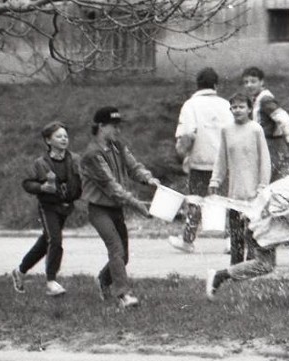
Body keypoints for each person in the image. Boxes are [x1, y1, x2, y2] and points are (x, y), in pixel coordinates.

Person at [80, 106, 160, 308]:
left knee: (123, 256)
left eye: (119, 126)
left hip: (116, 208)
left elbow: (134, 167)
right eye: (114, 126)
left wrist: (149, 179)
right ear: (100, 126)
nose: (118, 131)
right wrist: (138, 206)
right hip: (99, 209)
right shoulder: (92, 155)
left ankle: (102, 280)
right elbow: (111, 187)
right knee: (115, 248)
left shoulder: (118, 146)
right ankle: (124, 294)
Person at [12, 121, 83, 296]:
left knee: (47, 241)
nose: (64, 139)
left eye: (66, 136)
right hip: (48, 207)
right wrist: (42, 188)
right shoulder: (40, 163)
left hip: (66, 207)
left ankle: (19, 272)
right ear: (48, 140)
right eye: (59, 136)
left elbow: (84, 178)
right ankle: (51, 281)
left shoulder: (75, 159)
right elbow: (27, 183)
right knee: (56, 241)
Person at [168, 67, 234, 253]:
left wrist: (183, 154)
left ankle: (188, 240)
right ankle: (231, 240)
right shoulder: (225, 104)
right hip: (223, 161)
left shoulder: (191, 105)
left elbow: (187, 134)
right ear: (216, 85)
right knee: (226, 201)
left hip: (199, 161)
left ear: (197, 85)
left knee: (195, 200)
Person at [208, 92, 271, 266]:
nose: (237, 110)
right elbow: (221, 159)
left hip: (254, 193)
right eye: (234, 107)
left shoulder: (256, 130)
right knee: (236, 234)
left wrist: (263, 186)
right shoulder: (226, 131)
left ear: (249, 109)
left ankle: (250, 267)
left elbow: (265, 160)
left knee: (252, 233)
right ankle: (235, 268)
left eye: (241, 107)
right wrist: (215, 180)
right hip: (234, 193)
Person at [241, 66, 289, 182]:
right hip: (264, 144)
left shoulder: (265, 100)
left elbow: (284, 119)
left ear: (261, 82)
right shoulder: (256, 99)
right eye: (246, 82)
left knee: (270, 178)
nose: (249, 85)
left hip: (271, 145)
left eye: (253, 81)